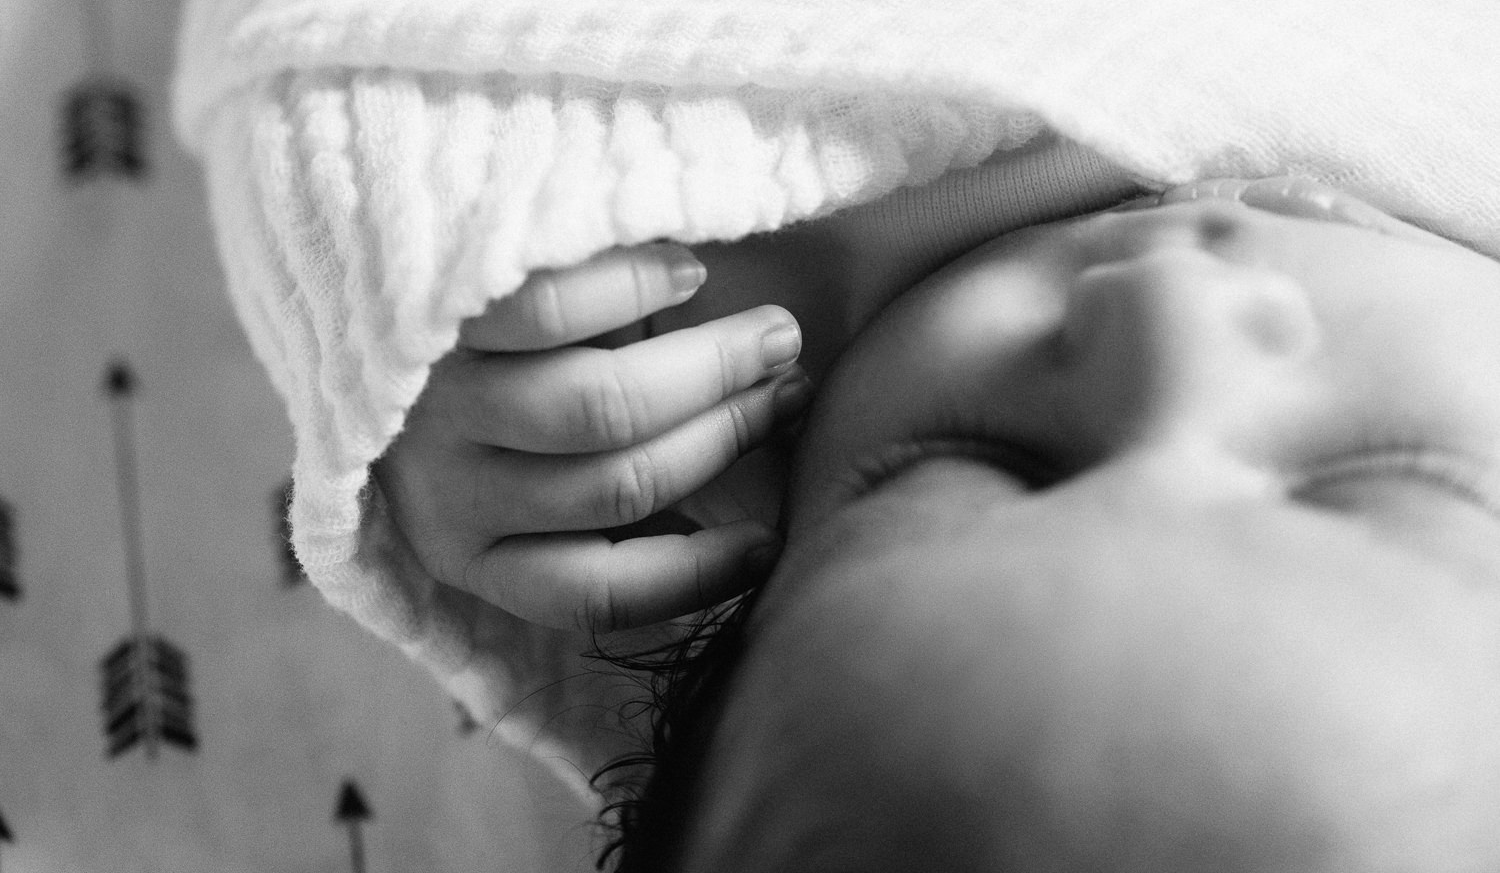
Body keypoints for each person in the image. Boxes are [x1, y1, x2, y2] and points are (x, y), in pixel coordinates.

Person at [377, 169, 1500, 871]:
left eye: (984, 460)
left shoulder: (706, 312)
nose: (1165, 309)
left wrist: (420, 362)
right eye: (1388, 473)